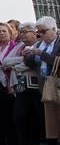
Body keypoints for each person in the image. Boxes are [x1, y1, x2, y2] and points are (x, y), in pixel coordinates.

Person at [24, 16, 60, 144]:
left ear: (54, 29)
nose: (40, 35)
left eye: (43, 31)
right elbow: (32, 65)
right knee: (51, 122)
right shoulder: (39, 44)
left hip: (57, 84)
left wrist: (40, 53)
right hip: (45, 85)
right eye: (38, 32)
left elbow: (55, 61)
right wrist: (27, 56)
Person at [0, 22, 21, 145]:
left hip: (11, 85)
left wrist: (9, 65)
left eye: (4, 31)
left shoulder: (17, 47)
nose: (1, 33)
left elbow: (21, 61)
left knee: (12, 116)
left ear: (9, 32)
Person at [12, 29, 44, 145]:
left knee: (40, 116)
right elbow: (6, 61)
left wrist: (18, 64)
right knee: (20, 116)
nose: (23, 34)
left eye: (26, 31)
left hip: (39, 85)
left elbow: (34, 63)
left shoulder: (40, 44)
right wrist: (21, 61)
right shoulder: (19, 46)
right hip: (23, 86)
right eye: (21, 31)